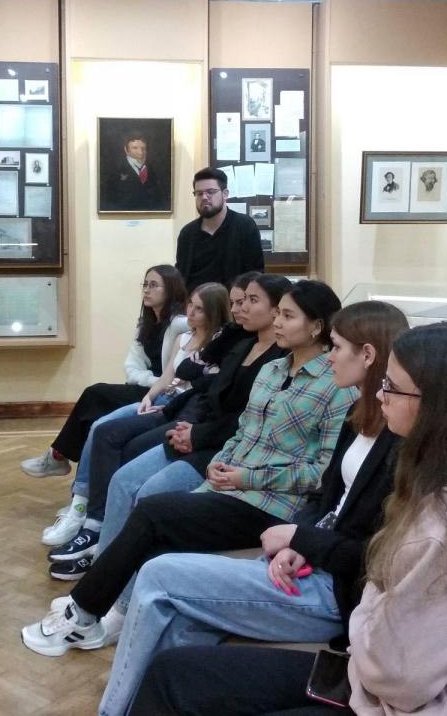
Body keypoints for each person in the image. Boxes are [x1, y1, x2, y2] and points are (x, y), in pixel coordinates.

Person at [131, 322, 447, 716]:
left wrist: (369, 602)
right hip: (382, 676)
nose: (382, 395)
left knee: (175, 646)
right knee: (178, 669)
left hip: (403, 698)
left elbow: (393, 671)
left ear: (436, 407)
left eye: (392, 386)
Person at [95, 301, 408, 715]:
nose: (330, 356)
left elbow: (371, 547)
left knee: (158, 567)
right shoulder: (358, 414)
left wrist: (301, 537)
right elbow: (326, 498)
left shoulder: (396, 440)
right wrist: (301, 539)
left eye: (336, 346)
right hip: (302, 552)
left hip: (331, 584)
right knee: (175, 609)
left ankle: (108, 687)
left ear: (367, 354)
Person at [19, 281, 357, 656]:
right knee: (154, 521)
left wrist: (245, 477)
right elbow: (244, 430)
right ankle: (112, 610)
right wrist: (219, 463)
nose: (277, 322)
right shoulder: (273, 371)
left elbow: (321, 474)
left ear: (316, 326)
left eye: (287, 316)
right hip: (228, 485)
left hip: (271, 503)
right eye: (277, 313)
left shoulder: (337, 388)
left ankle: (82, 613)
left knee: (153, 511)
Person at [92, 273, 290, 562]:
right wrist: (189, 427)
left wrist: (196, 433)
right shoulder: (241, 344)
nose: (241, 308)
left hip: (220, 447)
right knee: (122, 478)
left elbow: (250, 419)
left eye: (251, 300)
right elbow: (204, 388)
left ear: (275, 311)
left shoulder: (279, 361)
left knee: (148, 494)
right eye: (238, 301)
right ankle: (102, 559)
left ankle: (122, 574)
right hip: (199, 429)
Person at [46, 282, 232, 577]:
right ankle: (88, 514)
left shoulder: (221, 344)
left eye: (199, 309)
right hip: (161, 401)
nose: (191, 312)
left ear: (214, 312)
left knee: (126, 444)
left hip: (183, 410)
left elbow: (197, 390)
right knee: (102, 428)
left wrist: (165, 402)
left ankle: (101, 531)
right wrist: (149, 397)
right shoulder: (183, 336)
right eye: (190, 305)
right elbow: (167, 376)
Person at [21, 265, 188, 544]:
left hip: (163, 395)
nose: (146, 290)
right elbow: (131, 367)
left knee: (95, 398)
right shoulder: (146, 323)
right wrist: (154, 381)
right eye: (145, 284)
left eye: (154, 285)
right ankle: (75, 492)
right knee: (95, 412)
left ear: (171, 289)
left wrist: (158, 383)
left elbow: (177, 375)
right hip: (147, 389)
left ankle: (60, 461)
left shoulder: (180, 324)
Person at [174, 167, 263, 291]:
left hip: (233, 301)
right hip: (195, 300)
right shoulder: (187, 233)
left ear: (225, 194)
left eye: (210, 192)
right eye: (199, 193)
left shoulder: (245, 226)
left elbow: (255, 274)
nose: (204, 197)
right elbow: (181, 276)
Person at [101, 133, 167, 212]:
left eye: (143, 148)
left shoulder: (153, 171)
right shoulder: (116, 171)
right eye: (135, 148)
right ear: (126, 150)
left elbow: (160, 199)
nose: (140, 152)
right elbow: (109, 201)